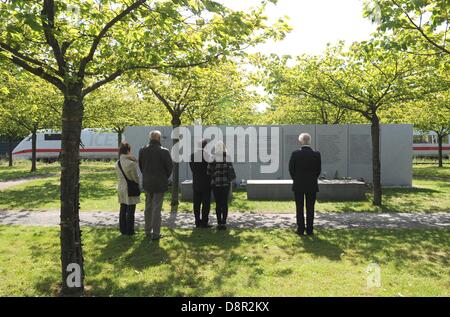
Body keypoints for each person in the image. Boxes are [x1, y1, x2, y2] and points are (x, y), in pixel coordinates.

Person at [139, 130, 173, 241]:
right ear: (159, 138)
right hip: (159, 183)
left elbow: (141, 166)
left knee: (148, 207)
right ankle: (156, 233)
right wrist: (164, 177)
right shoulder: (164, 151)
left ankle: (147, 230)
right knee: (156, 208)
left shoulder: (143, 150)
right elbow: (169, 168)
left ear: (150, 138)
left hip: (147, 182)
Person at [289, 133, 321, 236]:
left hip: (298, 184)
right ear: (309, 141)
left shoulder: (295, 154)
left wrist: (296, 179)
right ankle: (310, 230)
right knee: (310, 208)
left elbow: (291, 169)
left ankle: (300, 229)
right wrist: (312, 178)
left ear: (301, 141)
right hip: (312, 185)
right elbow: (318, 170)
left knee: (299, 207)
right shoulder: (316, 154)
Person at [207, 141, 236, 230]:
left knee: (218, 203)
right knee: (224, 203)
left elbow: (208, 171)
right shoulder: (227, 157)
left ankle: (219, 222)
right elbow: (231, 172)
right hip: (226, 184)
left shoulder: (212, 158)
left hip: (216, 184)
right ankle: (224, 222)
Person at [116, 142, 140, 236]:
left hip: (121, 187)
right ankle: (130, 230)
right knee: (131, 210)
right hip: (129, 188)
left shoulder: (117, 163)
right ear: (128, 151)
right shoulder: (131, 163)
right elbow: (135, 178)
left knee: (123, 208)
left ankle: (123, 229)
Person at [189, 139, 212, 228]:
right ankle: (204, 222)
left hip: (196, 182)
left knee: (196, 203)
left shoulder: (192, 156)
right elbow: (211, 170)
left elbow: (192, 169)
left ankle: (197, 221)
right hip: (206, 183)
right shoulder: (209, 156)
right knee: (206, 204)